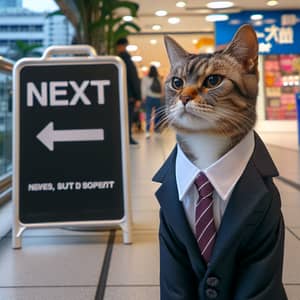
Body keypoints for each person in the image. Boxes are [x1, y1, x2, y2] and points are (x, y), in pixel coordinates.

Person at [116, 37, 141, 145]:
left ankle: (125, 138)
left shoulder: (118, 60)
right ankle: (127, 138)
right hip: (129, 95)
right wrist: (137, 96)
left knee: (123, 118)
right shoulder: (126, 60)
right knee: (127, 118)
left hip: (121, 94)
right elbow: (133, 78)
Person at [141, 65, 163, 138]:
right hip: (158, 98)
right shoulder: (158, 78)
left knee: (148, 115)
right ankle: (157, 130)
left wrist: (143, 97)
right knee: (157, 115)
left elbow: (143, 88)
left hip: (149, 98)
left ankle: (147, 132)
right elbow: (162, 88)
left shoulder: (146, 78)